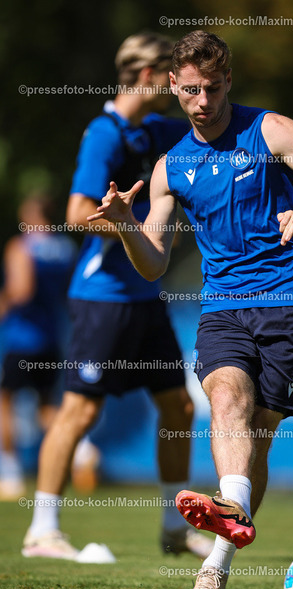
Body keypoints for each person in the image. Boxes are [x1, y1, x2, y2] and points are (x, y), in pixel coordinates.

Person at [90, 30, 293, 589]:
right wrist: (125, 225)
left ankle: (221, 546)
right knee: (225, 398)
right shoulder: (171, 166)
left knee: (258, 435)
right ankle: (215, 560)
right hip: (223, 306)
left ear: (228, 80)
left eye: (213, 88)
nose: (203, 101)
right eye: (191, 90)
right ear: (173, 85)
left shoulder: (271, 130)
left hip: (291, 304)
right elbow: (153, 263)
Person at [22, 32, 213, 561]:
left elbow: (216, 127)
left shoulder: (155, 129)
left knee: (177, 406)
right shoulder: (104, 134)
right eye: (173, 80)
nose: (182, 91)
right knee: (80, 412)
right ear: (149, 76)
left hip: (144, 297)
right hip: (103, 296)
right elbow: (77, 213)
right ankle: (42, 531)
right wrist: (135, 228)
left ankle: (174, 529)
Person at [0, 194, 76, 500]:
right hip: (52, 339)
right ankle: (81, 455)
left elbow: (21, 290)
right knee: (47, 407)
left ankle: (10, 474)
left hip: (22, 339)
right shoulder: (65, 248)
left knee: (4, 403)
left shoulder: (21, 246)